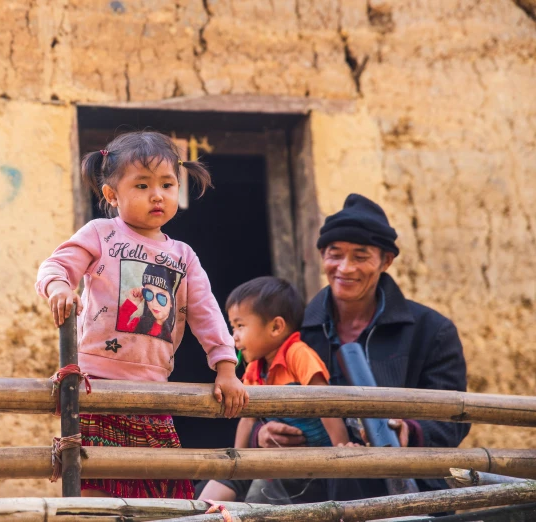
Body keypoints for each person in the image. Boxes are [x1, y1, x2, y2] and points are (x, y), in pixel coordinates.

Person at [202, 193, 470, 503]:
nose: (345, 267)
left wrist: (408, 430)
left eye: (360, 256)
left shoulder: (432, 331)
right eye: (335, 254)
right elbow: (257, 403)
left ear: (386, 261)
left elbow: (453, 420)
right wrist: (264, 435)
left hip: (405, 494)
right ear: (321, 255)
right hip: (310, 493)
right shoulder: (294, 332)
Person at [35, 131, 249, 500]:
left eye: (167, 184)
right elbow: (56, 264)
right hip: (96, 386)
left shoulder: (184, 255)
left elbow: (207, 313)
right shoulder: (101, 234)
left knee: (157, 492)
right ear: (112, 195)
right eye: (142, 185)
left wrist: (225, 366)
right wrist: (58, 287)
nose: (157, 195)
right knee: (95, 485)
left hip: (154, 393)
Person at [199, 276, 349, 503]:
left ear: (276, 327)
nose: (234, 336)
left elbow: (326, 404)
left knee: (260, 492)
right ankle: (197, 514)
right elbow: (248, 419)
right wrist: (237, 462)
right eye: (232, 327)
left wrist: (342, 451)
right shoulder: (255, 368)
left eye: (240, 326)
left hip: (314, 464)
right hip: (278, 460)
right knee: (219, 481)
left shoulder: (298, 353)